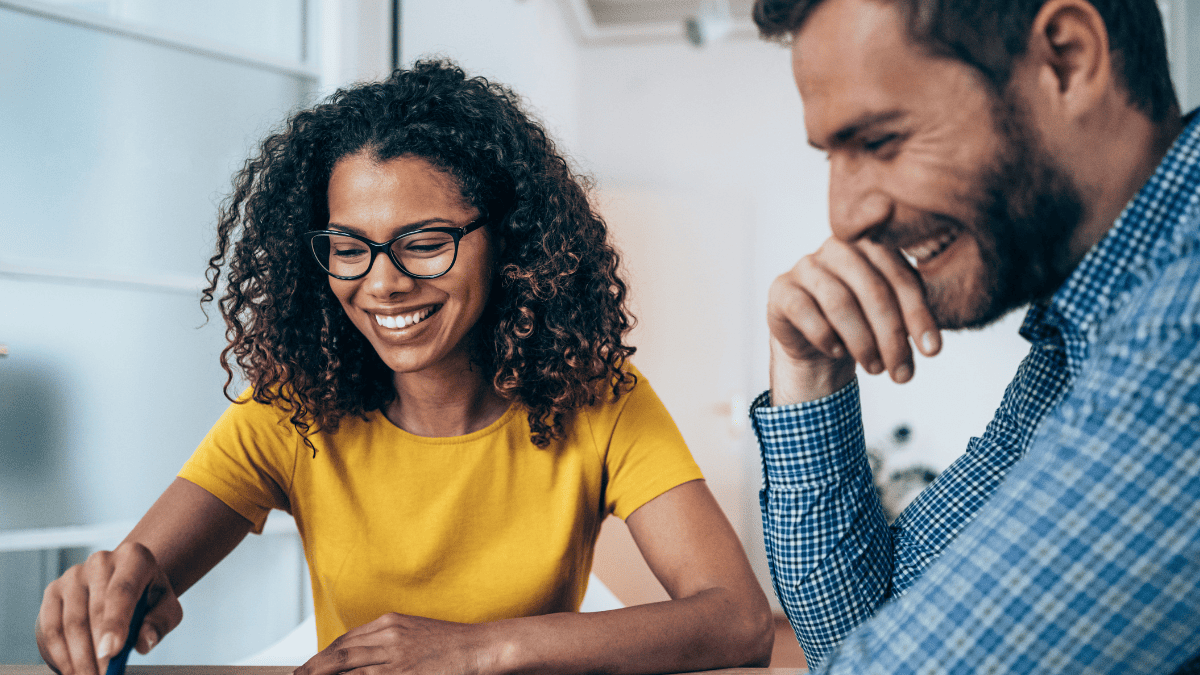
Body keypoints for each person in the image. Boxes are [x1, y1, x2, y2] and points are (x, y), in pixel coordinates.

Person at [35, 59, 773, 675]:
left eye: (423, 241)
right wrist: (110, 591)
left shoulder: (599, 399)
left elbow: (740, 622)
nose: (381, 282)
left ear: (506, 240)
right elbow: (142, 570)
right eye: (349, 248)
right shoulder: (290, 408)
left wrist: (479, 648)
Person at [749, 0, 1200, 672]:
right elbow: (861, 631)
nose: (845, 218)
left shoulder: (1182, 325)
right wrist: (807, 371)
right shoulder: (1080, 333)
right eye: (833, 157)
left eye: (879, 141)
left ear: (1068, 61)